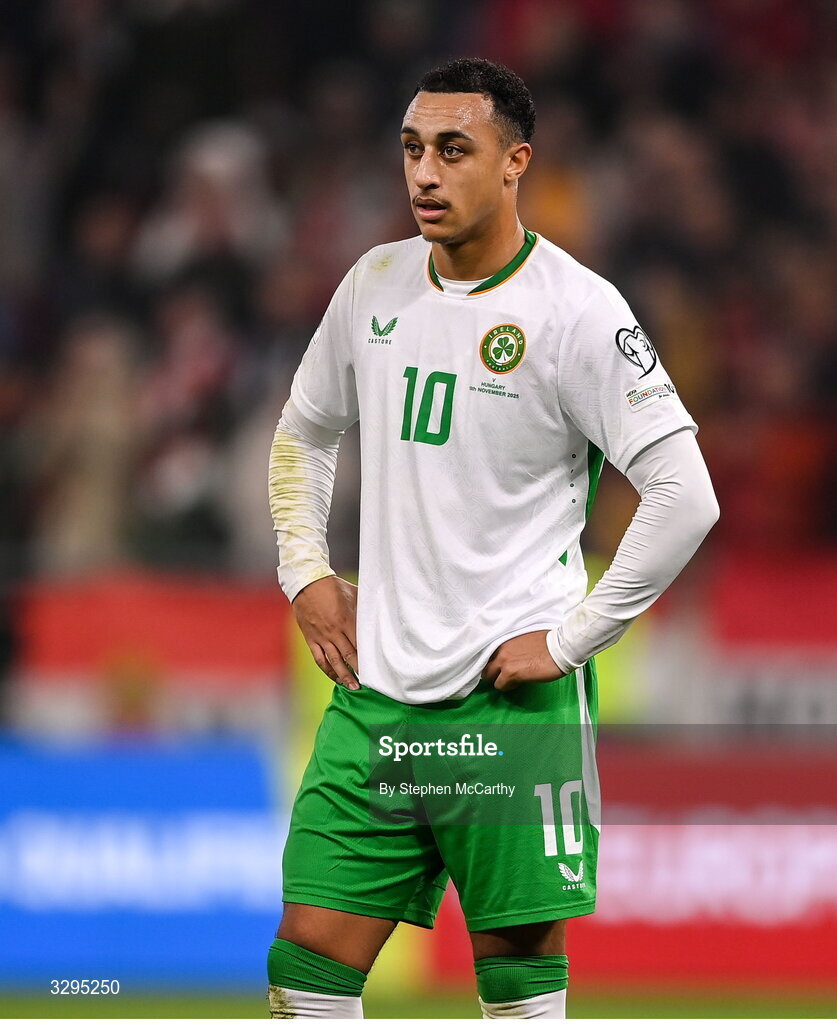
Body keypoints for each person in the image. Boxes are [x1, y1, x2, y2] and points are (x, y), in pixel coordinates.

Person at [267, 57, 718, 1020]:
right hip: (373, 697)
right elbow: (304, 432)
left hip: (507, 708)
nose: (424, 174)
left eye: (452, 151)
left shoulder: (578, 312)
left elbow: (684, 494)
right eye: (411, 149)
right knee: (307, 960)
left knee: (514, 973)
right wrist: (305, 570)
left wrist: (568, 641)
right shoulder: (373, 284)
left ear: (515, 163)